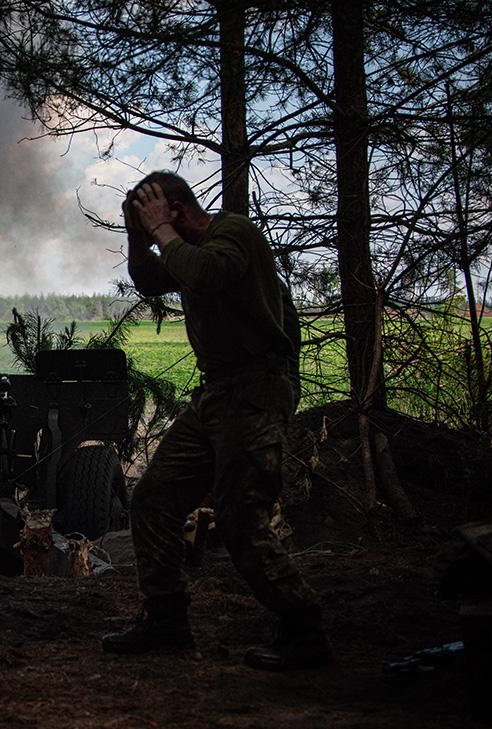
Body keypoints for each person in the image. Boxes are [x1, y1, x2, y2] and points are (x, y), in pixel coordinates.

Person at [102, 171, 331, 670]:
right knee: (155, 498)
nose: (154, 230)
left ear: (178, 211)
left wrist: (161, 230)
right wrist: (138, 238)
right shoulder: (185, 251)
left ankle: (305, 628)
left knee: (239, 519)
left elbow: (205, 273)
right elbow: (149, 281)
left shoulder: (234, 234)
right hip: (216, 396)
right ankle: (166, 621)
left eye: (155, 217)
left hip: (255, 393)